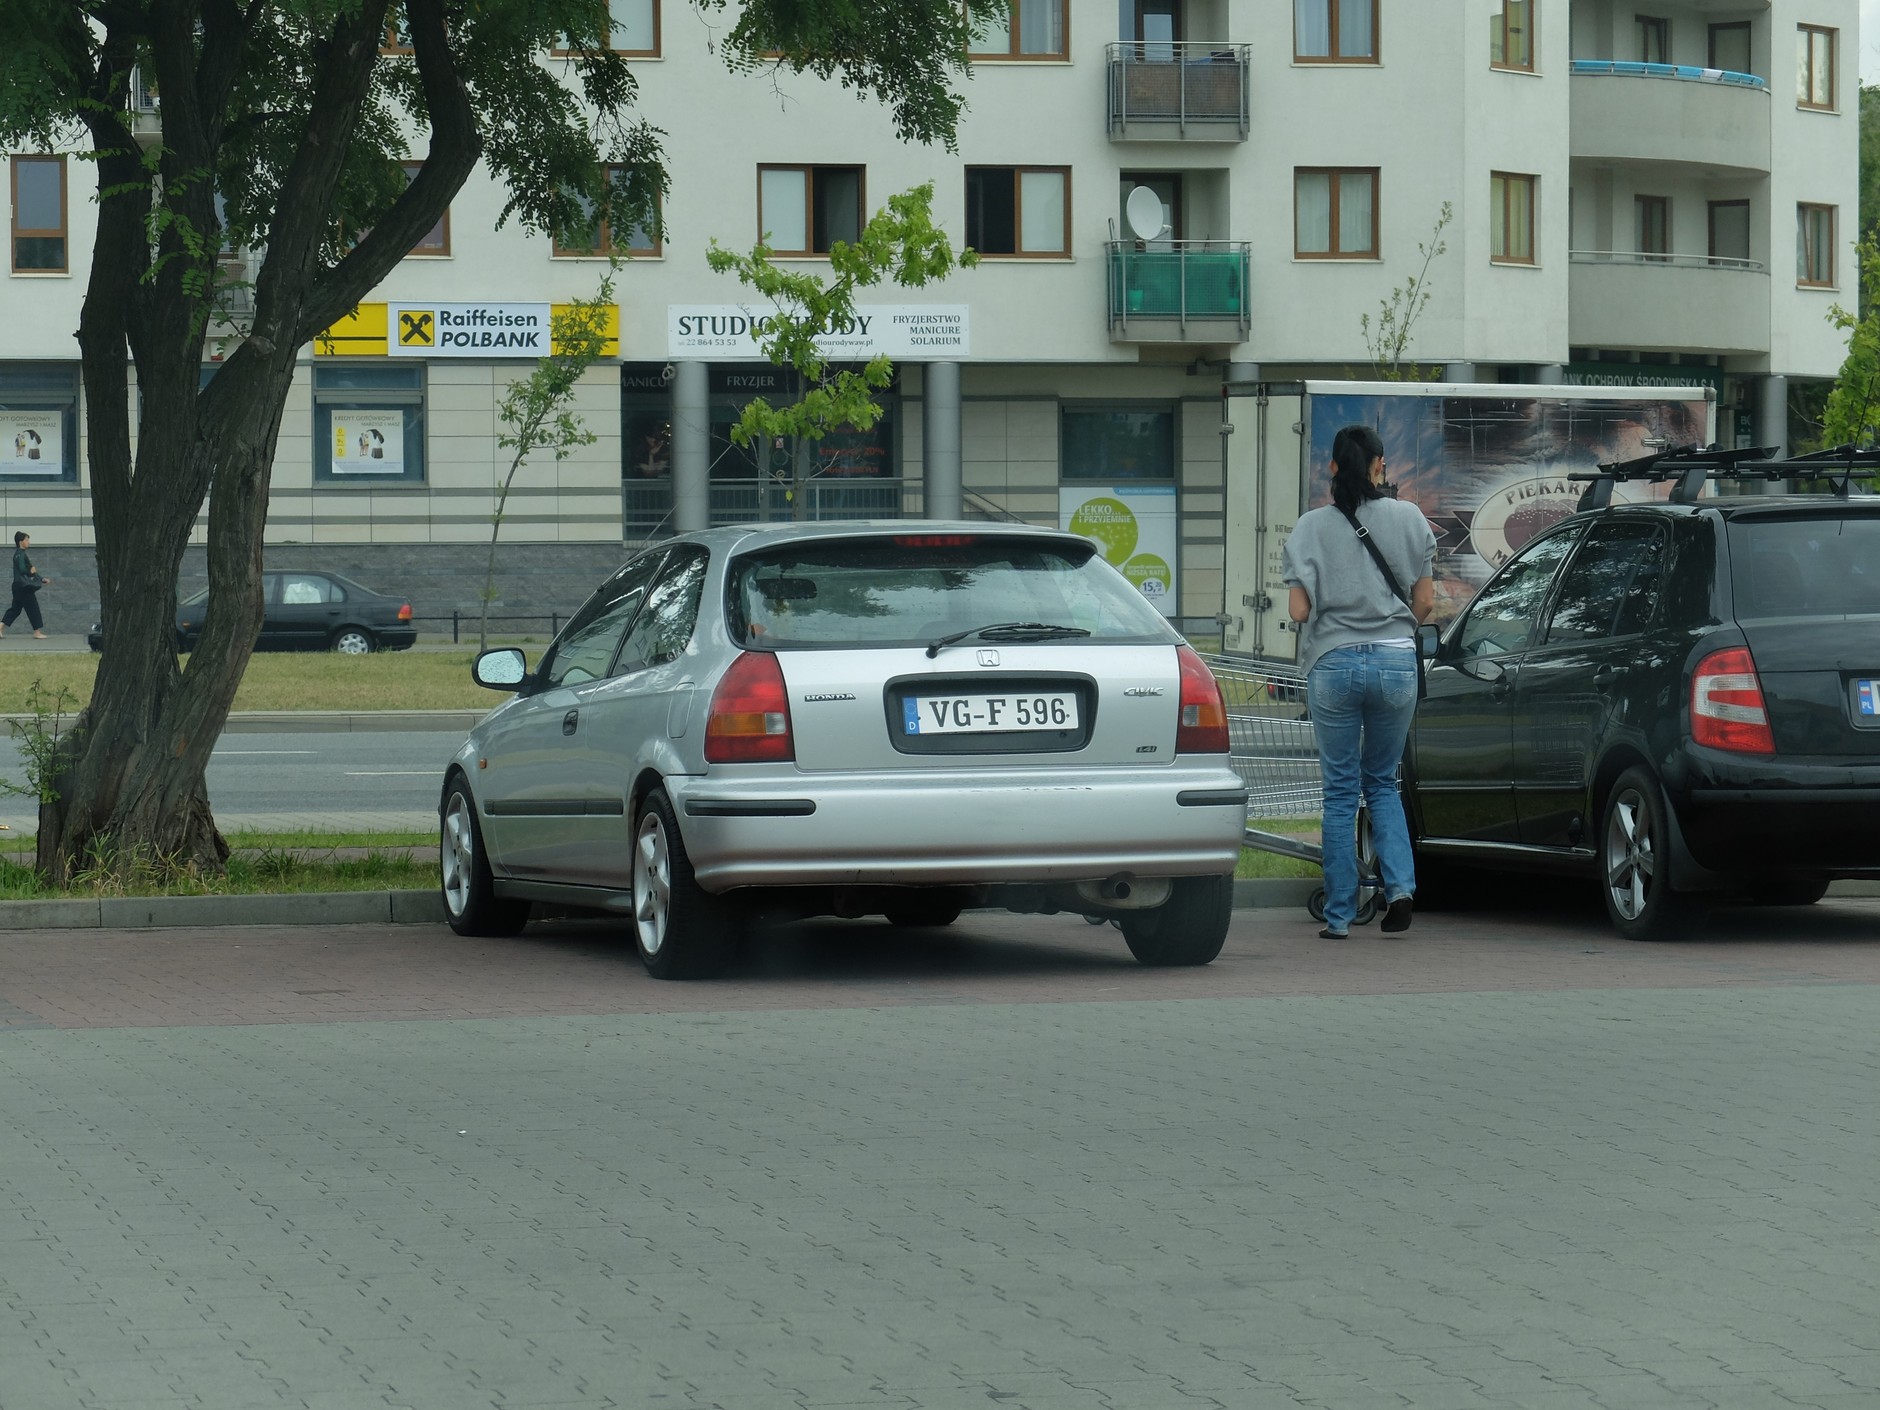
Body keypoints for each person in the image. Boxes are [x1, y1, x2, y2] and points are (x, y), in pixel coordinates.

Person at [1281, 425, 1436, 939]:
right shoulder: (1411, 519)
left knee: (1341, 791)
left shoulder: (1309, 527)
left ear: (1332, 468)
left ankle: (1340, 917)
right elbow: (1426, 602)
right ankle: (1401, 891)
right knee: (1383, 783)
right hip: (1396, 663)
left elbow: (1298, 610)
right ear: (1379, 465)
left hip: (1333, 663)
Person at [2, 530, 51, 639]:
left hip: (17, 586)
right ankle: (37, 633)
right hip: (23, 587)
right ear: (21, 542)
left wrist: (41, 578)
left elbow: (29, 570)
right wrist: (31, 572)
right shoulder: (20, 554)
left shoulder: (19, 554)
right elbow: (23, 569)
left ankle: (0, 627)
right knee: (33, 607)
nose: (29, 542)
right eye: (27, 540)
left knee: (15, 609)